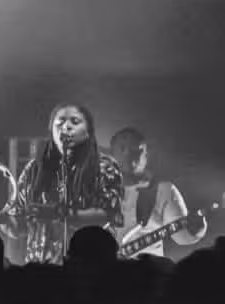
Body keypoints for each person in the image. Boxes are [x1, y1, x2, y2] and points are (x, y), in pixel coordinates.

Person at [14, 102, 122, 263]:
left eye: (75, 122)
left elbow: (109, 213)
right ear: (51, 130)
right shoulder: (33, 169)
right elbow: (20, 225)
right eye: (60, 122)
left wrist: (60, 213)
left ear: (88, 131)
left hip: (89, 263)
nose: (66, 127)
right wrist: (4, 220)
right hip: (41, 266)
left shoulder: (104, 166)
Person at [107, 127, 206, 259]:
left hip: (146, 270)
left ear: (146, 155)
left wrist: (197, 228)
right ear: (111, 154)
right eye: (122, 148)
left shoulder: (163, 190)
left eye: (136, 149)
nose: (128, 154)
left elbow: (182, 237)